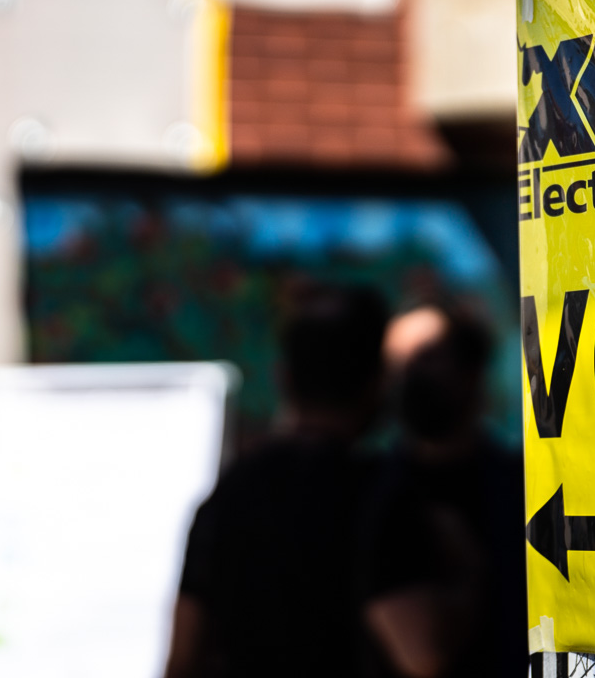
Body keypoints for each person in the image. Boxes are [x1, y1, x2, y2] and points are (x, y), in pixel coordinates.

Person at [165, 282, 388, 678]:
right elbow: (421, 649)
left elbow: (183, 654)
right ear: (377, 383)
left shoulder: (233, 492)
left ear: (283, 378)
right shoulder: (379, 495)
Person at [357, 303, 527, 678]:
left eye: (426, 358)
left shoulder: (522, 487)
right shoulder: (368, 492)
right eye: (396, 363)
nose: (410, 375)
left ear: (472, 371)